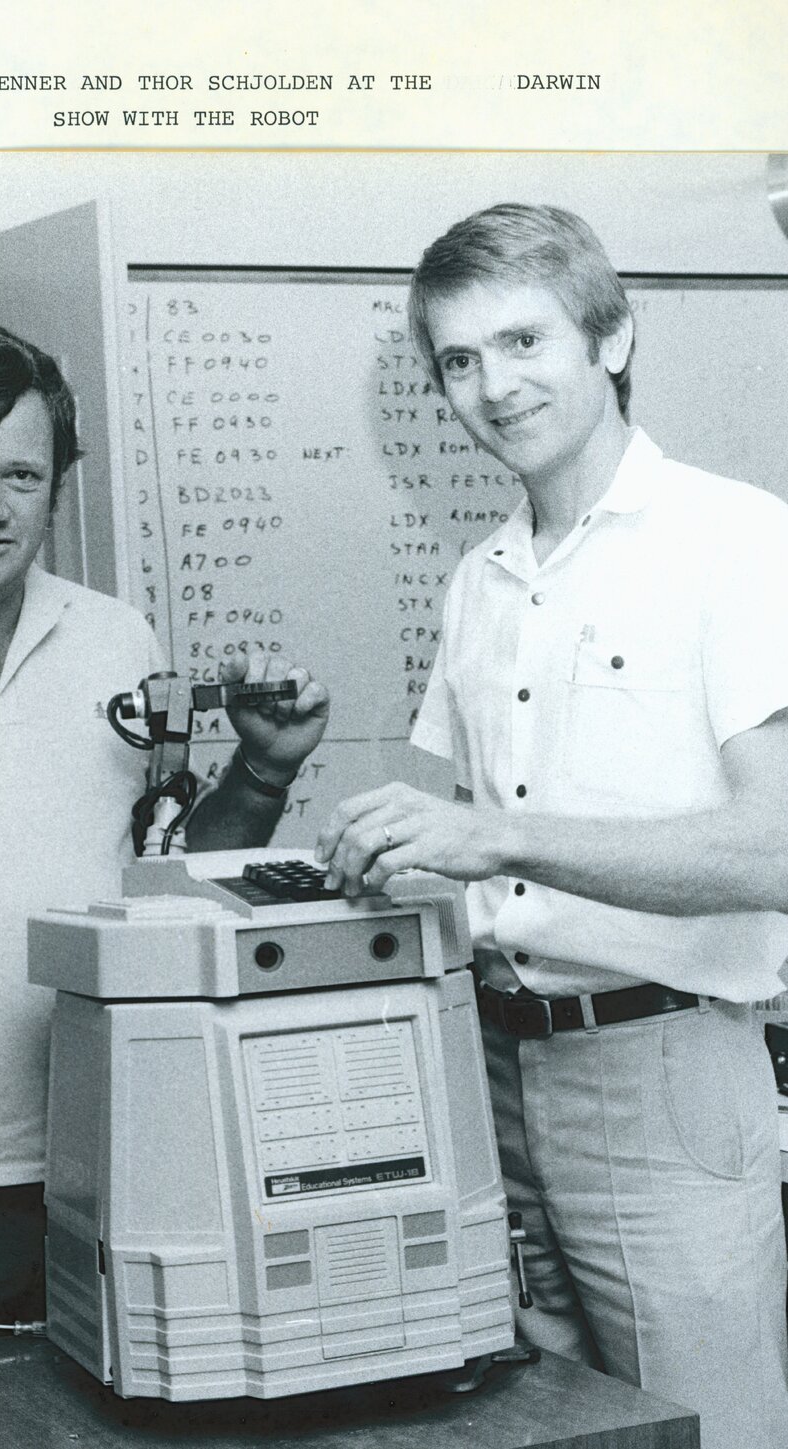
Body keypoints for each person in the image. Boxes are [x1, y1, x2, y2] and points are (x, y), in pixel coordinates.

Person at [0, 322, 328, 1446]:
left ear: (56, 487)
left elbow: (165, 885)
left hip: (118, 1175)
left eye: (20, 476)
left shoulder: (118, 639)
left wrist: (262, 772)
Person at [315, 203, 788, 1449]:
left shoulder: (737, 541)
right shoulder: (483, 578)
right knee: (545, 1432)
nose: (491, 386)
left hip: (664, 1072)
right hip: (493, 1068)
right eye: (458, 361)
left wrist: (501, 841)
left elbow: (777, 851)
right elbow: (436, 841)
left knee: (706, 1434)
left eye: (523, 343)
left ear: (612, 338)